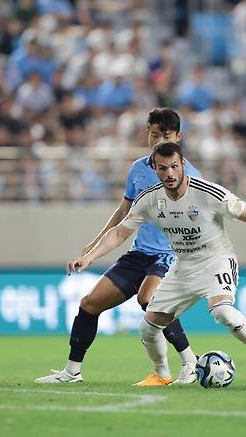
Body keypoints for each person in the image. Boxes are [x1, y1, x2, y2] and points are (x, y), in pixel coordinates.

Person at [67, 142, 246, 386]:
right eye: (163, 169)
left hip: (216, 260)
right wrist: (89, 257)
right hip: (183, 265)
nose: (169, 174)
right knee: (148, 327)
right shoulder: (150, 200)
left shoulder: (208, 193)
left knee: (221, 311)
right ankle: (162, 375)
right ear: (155, 169)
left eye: (174, 166)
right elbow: (120, 233)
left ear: (182, 164)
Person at [35, 108, 202, 385]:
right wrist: (93, 247)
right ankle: (72, 372)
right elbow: (123, 213)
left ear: (178, 137)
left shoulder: (190, 175)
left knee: (149, 299)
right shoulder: (138, 169)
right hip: (139, 253)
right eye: (154, 134)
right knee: (89, 304)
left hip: (171, 256)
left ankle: (189, 362)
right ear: (147, 135)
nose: (159, 141)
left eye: (166, 135)